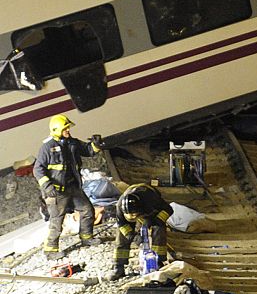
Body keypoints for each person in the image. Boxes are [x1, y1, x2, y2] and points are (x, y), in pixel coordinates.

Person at [33, 114, 103, 260]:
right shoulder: (47, 148)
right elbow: (38, 169)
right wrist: (47, 185)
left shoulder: (72, 143)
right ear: (57, 129)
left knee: (87, 210)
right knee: (57, 220)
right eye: (65, 128)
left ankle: (86, 237)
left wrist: (96, 144)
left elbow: (88, 150)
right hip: (57, 192)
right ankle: (50, 250)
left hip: (73, 187)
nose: (68, 131)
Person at [106, 183, 172, 281]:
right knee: (121, 236)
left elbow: (169, 209)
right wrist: (133, 236)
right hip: (137, 210)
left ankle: (159, 262)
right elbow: (122, 225)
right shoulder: (120, 207)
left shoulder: (151, 200)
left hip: (149, 209)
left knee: (159, 229)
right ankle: (118, 266)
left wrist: (157, 221)